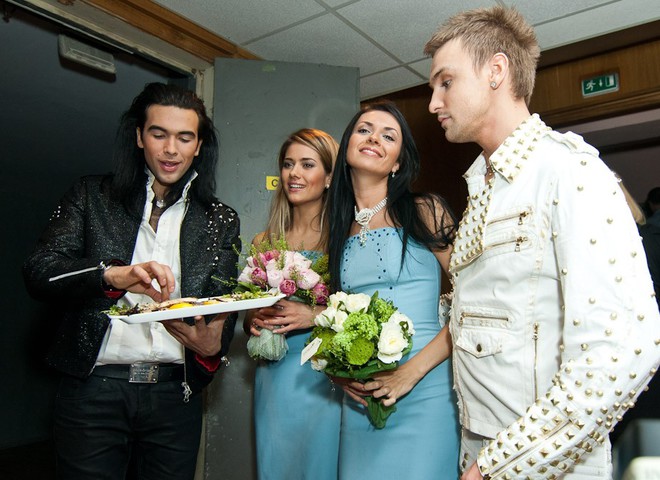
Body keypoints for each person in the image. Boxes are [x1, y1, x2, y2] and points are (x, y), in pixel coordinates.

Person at [424, 6, 660, 479]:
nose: (433, 103)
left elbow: (621, 354)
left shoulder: (568, 170)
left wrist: (498, 467)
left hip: (543, 463)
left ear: (495, 71)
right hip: (477, 449)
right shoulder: (483, 187)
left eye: (446, 82)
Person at [23, 82, 240, 480]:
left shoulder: (220, 219)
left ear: (198, 146)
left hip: (176, 395)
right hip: (94, 391)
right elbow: (40, 271)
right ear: (140, 137)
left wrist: (214, 346)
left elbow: (222, 304)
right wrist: (111, 274)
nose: (171, 149)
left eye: (184, 137)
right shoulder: (90, 195)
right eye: (159, 134)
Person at [327, 101, 460, 479]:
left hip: (425, 386)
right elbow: (333, 318)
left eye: (388, 136)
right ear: (348, 148)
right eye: (364, 130)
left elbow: (475, 299)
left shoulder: (424, 210)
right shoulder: (338, 229)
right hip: (362, 397)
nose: (374, 138)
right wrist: (339, 374)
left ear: (398, 162)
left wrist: (409, 374)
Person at [243, 128, 342, 480]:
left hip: (322, 372)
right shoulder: (264, 240)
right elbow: (248, 320)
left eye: (307, 164)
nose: (294, 173)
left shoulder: (342, 237)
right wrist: (254, 319)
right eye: (288, 164)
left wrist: (313, 314)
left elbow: (362, 308)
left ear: (329, 177)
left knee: (319, 465)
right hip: (274, 374)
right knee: (276, 465)